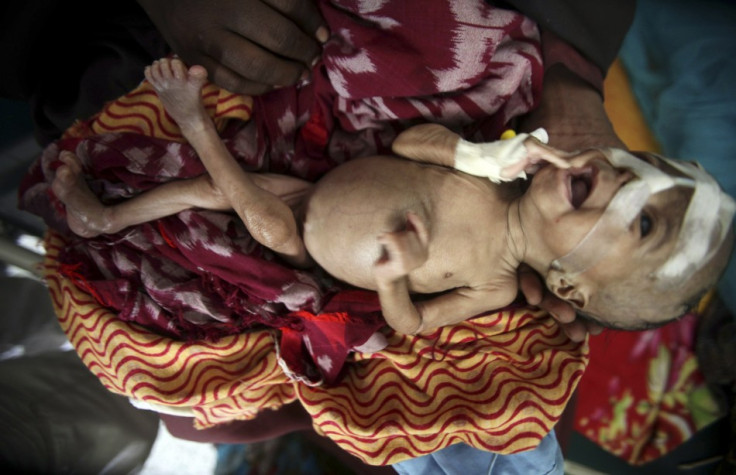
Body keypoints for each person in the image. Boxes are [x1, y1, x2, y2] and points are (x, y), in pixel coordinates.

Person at [51, 57, 735, 335]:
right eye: (646, 163)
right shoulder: (495, 168)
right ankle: (106, 213)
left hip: (305, 241)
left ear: (570, 288)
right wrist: (474, 151)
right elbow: (410, 145)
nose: (627, 180)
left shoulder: (493, 287)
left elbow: (410, 326)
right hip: (313, 185)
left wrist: (392, 277)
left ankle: (192, 121)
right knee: (208, 191)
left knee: (245, 208)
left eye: (646, 221)